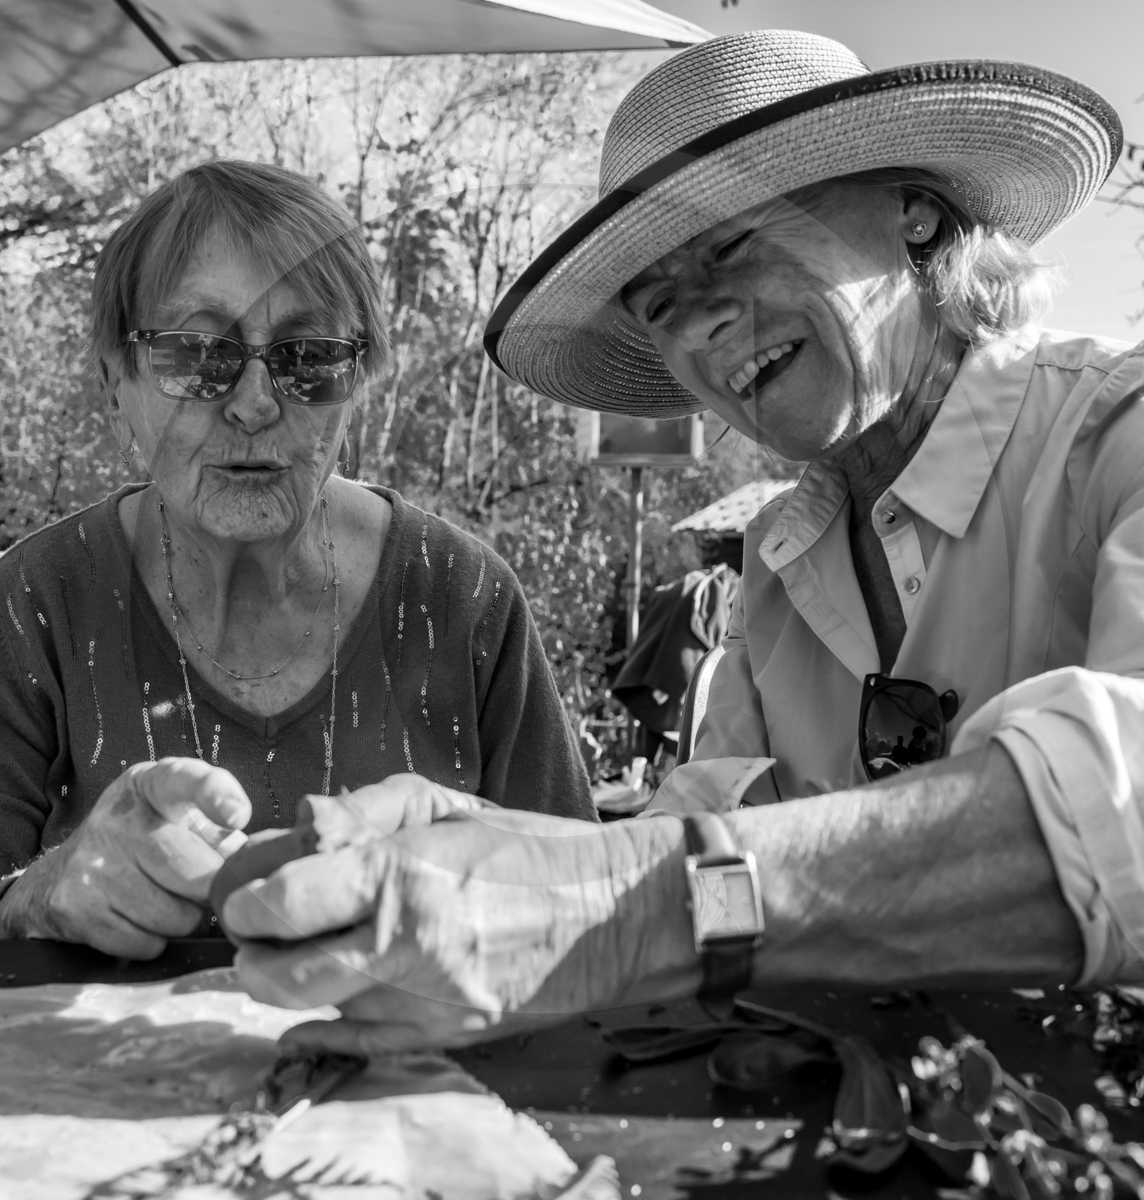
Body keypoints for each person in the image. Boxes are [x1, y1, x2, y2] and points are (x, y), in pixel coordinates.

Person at [218, 32, 1144, 1051]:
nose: (701, 321)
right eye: (659, 301)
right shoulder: (783, 563)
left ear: (912, 208)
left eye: (734, 244)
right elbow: (709, 841)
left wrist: (613, 907)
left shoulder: (1118, 431)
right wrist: (481, 845)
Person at [0, 159, 593, 957]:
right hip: (106, 1079)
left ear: (360, 384)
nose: (253, 403)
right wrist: (42, 893)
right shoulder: (35, 604)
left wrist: (484, 867)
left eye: (307, 355)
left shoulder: (459, 595)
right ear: (118, 383)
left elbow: (590, 898)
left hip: (410, 1071)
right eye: (195, 354)